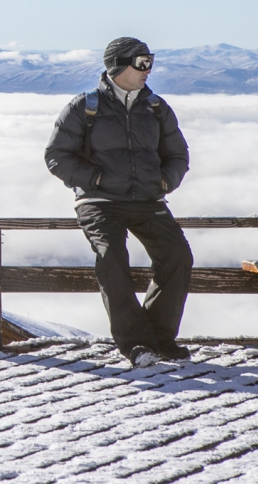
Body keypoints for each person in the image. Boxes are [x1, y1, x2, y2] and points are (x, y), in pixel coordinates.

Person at [44, 37, 193, 367]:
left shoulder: (155, 107)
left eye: (150, 61)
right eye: (142, 63)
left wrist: (166, 181)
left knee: (178, 256)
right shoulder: (85, 107)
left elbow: (178, 154)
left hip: (147, 199)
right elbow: (56, 156)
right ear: (118, 65)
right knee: (111, 257)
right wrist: (95, 179)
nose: (148, 70)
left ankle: (159, 339)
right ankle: (136, 344)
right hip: (99, 201)